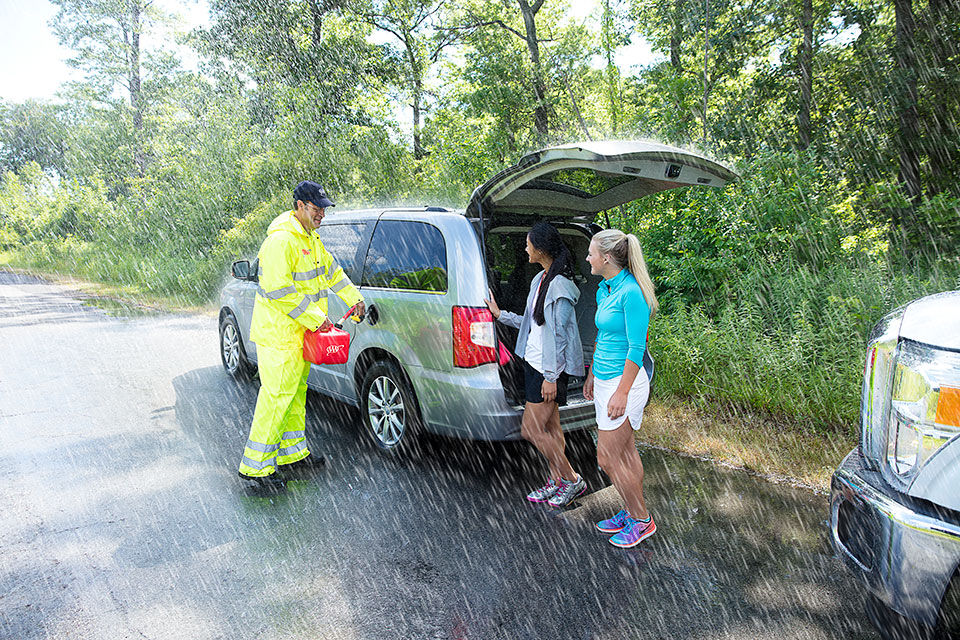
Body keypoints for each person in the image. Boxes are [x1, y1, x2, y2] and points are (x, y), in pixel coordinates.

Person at [238, 181, 365, 490]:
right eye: (316, 208)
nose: (321, 213)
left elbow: (333, 272)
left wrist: (354, 298)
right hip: (280, 337)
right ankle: (255, 470)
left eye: (323, 208)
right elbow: (278, 290)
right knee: (276, 398)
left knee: (295, 395)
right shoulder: (281, 241)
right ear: (299, 206)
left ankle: (292, 455)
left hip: (301, 335)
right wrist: (317, 318)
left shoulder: (310, 238)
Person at [485, 222, 586, 507]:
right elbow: (532, 324)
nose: (525, 248)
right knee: (552, 428)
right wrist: (500, 314)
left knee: (531, 430)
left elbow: (560, 337)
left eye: (528, 244)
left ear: (540, 249)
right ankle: (557, 482)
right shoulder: (539, 280)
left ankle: (572, 480)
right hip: (534, 363)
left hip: (548, 370)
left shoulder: (561, 287)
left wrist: (552, 377)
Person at [582, 228, 658, 547]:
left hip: (624, 383)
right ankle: (630, 511)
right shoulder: (605, 289)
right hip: (603, 380)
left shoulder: (631, 292)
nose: (587, 257)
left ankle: (643, 520)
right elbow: (605, 336)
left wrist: (622, 392)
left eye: (591, 253)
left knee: (607, 458)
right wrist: (591, 377)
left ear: (607, 257)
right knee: (625, 453)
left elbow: (635, 347)